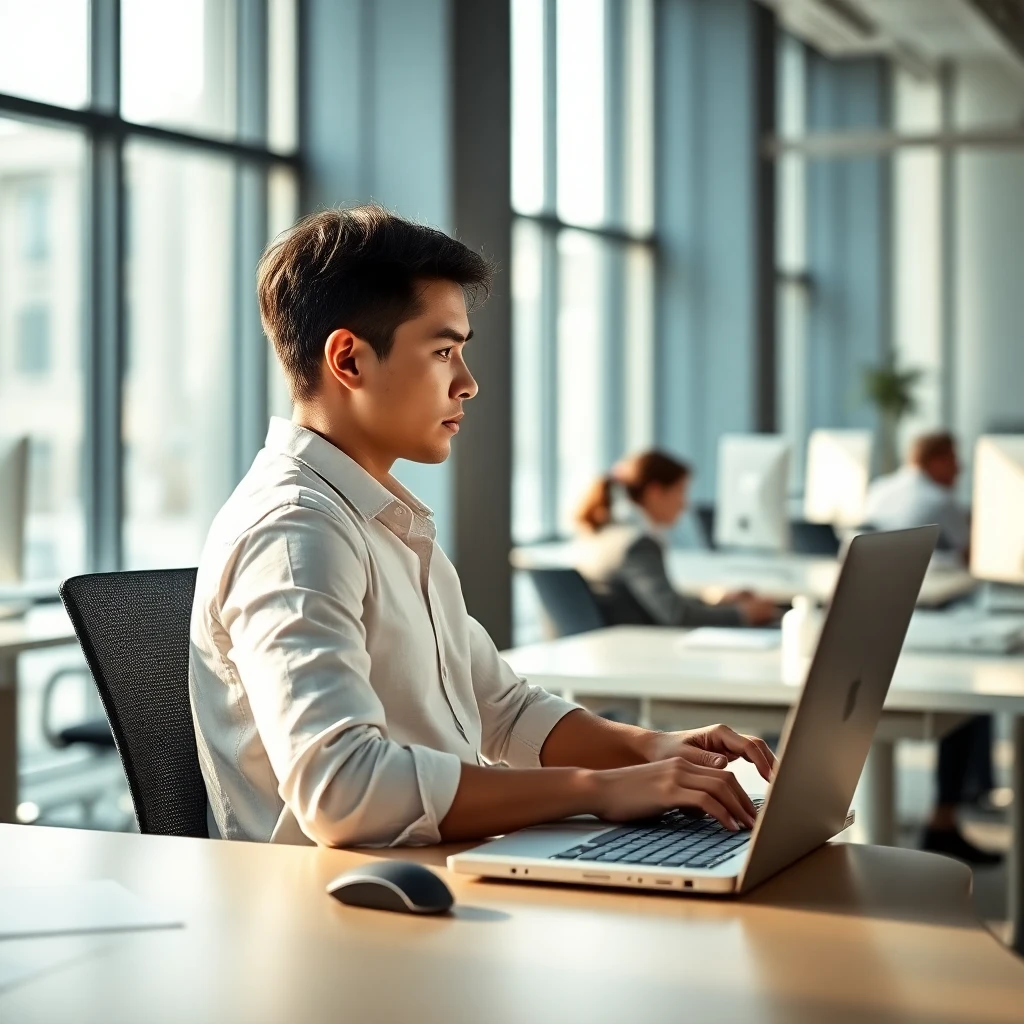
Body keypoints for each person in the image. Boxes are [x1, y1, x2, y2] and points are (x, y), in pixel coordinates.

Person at [188, 206, 776, 850]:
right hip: (348, 910)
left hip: (446, 869)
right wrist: (597, 790)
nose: (467, 383)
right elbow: (342, 790)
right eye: (443, 351)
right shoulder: (296, 531)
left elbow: (506, 709)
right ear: (349, 360)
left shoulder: (385, 522)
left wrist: (655, 751)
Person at [865, 431, 998, 865]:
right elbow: (977, 555)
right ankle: (948, 814)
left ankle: (954, 808)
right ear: (937, 460)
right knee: (974, 699)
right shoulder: (940, 501)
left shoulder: (881, 489)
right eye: (954, 461)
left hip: (875, 622)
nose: (959, 471)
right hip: (923, 624)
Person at [574, 451, 778, 628]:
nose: (684, 504)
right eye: (680, 491)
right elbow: (676, 617)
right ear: (656, 492)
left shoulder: (602, 533)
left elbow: (662, 604)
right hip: (644, 654)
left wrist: (715, 603)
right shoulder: (637, 544)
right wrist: (744, 614)